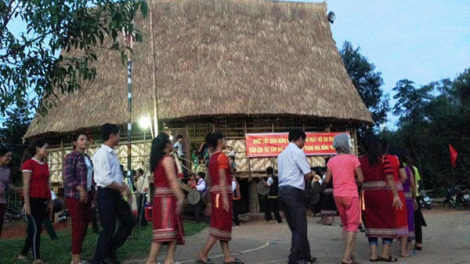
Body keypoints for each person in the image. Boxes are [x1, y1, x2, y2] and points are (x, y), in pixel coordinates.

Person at [196, 132, 243, 264]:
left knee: (222, 227)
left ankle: (227, 257)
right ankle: (203, 253)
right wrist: (224, 199)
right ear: (219, 141)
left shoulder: (212, 158)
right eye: (224, 139)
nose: (226, 140)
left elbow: (210, 181)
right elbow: (222, 178)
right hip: (222, 195)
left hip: (215, 194)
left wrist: (211, 202)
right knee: (220, 225)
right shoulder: (222, 157)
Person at [92, 124, 134, 264]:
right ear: (111, 136)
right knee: (108, 227)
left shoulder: (112, 154)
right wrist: (121, 188)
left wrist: (124, 187)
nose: (120, 137)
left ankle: (109, 249)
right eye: (118, 134)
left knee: (128, 221)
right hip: (106, 193)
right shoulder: (102, 155)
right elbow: (105, 179)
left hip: (115, 193)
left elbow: (116, 175)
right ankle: (98, 259)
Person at [146, 132, 185, 264]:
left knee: (172, 230)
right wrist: (180, 196)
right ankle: (151, 260)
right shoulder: (167, 159)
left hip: (161, 198)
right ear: (167, 144)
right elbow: (172, 180)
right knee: (163, 232)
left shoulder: (157, 161)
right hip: (166, 199)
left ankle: (170, 260)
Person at [325, 133, 364, 264]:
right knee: (353, 226)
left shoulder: (331, 161)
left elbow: (327, 179)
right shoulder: (353, 159)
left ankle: (349, 254)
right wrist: (354, 183)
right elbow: (361, 178)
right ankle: (346, 257)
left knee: (345, 225)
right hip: (351, 194)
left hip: (338, 195)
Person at [277, 129, 315, 264]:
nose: (304, 143)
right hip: (294, 191)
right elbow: (307, 174)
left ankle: (306, 255)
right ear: (300, 139)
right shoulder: (298, 152)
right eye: (304, 140)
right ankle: (295, 258)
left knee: (296, 226)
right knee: (300, 227)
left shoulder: (281, 155)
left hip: (282, 191)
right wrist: (312, 175)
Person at [360, 136, 399, 262]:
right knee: (388, 221)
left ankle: (373, 254)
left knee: (371, 223)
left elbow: (358, 178)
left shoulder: (360, 161)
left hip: (366, 195)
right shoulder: (383, 159)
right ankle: (385, 254)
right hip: (382, 194)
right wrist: (396, 195)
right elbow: (390, 177)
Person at [19, 139, 52, 264]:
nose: (47, 150)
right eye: (45, 147)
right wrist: (26, 203)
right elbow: (26, 184)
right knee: (36, 227)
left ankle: (23, 254)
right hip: (31, 198)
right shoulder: (28, 164)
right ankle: (36, 258)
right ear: (38, 148)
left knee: (36, 227)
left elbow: (46, 183)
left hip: (42, 198)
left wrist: (50, 200)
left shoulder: (45, 164)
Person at [63, 133, 94, 264]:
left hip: (87, 195)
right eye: (81, 139)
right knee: (78, 226)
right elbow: (68, 177)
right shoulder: (71, 157)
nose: (85, 142)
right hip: (74, 196)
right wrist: (80, 189)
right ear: (75, 142)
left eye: (86, 139)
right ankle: (75, 259)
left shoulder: (87, 158)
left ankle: (76, 254)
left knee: (85, 225)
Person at [382, 141, 409, 258]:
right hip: (398, 192)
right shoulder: (396, 159)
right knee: (402, 220)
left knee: (386, 220)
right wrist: (397, 184)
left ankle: (385, 251)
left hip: (383, 193)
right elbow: (404, 177)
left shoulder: (378, 160)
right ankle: (403, 251)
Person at [405, 157, 426, 251]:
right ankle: (419, 243)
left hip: (405, 196)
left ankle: (406, 242)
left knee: (406, 220)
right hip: (415, 196)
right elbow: (416, 184)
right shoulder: (414, 169)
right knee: (417, 220)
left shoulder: (401, 168)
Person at [403, 160, 417, 254]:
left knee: (400, 221)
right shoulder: (408, 170)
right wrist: (414, 198)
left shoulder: (394, 170)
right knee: (409, 221)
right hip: (407, 198)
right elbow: (413, 185)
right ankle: (406, 248)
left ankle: (402, 247)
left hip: (396, 198)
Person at [0, 146, 13, 239]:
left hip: (1, 201)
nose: (10, 158)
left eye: (10, 156)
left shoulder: (7, 170)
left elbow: (8, 184)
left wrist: (18, 188)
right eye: (7, 156)